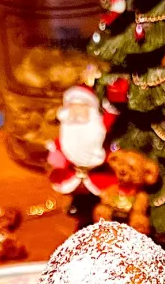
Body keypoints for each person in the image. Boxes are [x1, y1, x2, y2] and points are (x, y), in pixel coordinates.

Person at [46, 86, 117, 224]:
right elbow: (60, 147)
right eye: (73, 106)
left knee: (102, 192)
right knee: (69, 188)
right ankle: (77, 208)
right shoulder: (67, 130)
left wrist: (111, 108)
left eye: (82, 106)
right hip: (72, 172)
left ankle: (97, 212)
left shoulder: (96, 127)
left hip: (96, 172)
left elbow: (108, 121)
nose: (77, 111)